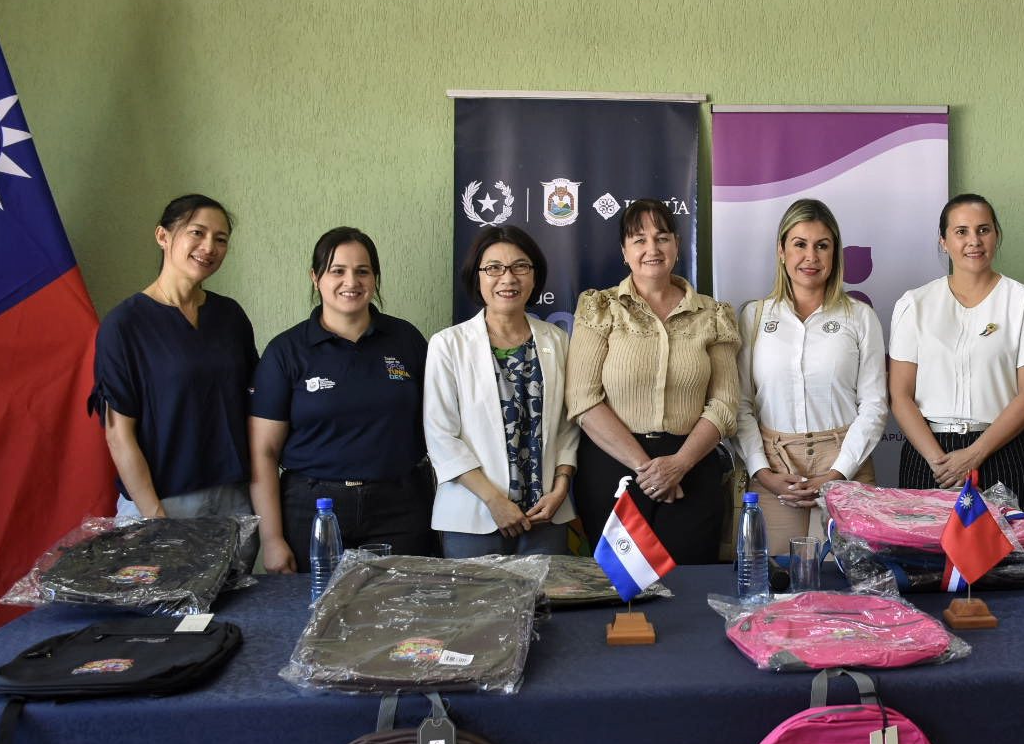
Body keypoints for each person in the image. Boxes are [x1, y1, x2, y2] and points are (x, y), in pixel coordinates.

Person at [248, 227, 434, 572]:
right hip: (314, 510)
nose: (351, 281)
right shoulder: (285, 352)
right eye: (338, 271)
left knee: (402, 603)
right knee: (315, 604)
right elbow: (263, 452)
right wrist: (271, 539)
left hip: (401, 508)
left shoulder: (406, 340)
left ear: (375, 278)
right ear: (315, 277)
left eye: (362, 271)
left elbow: (439, 423)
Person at [566, 199, 740, 564]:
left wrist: (678, 465)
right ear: (624, 251)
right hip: (614, 467)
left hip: (692, 467)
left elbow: (725, 403)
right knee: (621, 587)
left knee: (689, 585)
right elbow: (582, 398)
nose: (652, 249)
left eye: (662, 238)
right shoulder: (601, 307)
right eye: (639, 240)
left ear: (677, 245)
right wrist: (648, 469)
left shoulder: (713, 314)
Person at [90, 194, 258, 540]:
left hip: (233, 498)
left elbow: (254, 403)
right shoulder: (125, 324)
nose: (209, 247)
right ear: (162, 236)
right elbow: (119, 436)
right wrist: (156, 520)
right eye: (197, 232)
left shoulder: (230, 316)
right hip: (161, 504)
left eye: (221, 239)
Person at [735, 199, 887, 553]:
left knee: (847, 579)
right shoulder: (754, 317)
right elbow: (741, 405)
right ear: (781, 251)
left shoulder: (860, 317)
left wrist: (836, 474)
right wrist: (763, 473)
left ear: (835, 253)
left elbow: (875, 405)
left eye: (822, 245)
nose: (811, 257)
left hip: (845, 463)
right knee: (773, 577)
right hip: (774, 469)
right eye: (799, 244)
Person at [890, 193, 1024, 516]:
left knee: (1010, 549)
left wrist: (975, 454)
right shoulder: (915, 304)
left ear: (997, 235)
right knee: (928, 549)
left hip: (1003, 451)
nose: (973, 241)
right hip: (930, 457)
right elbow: (900, 395)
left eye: (983, 230)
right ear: (943, 241)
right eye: (961, 231)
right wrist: (939, 461)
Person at [423, 227, 579, 557]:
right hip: (473, 517)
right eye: (494, 268)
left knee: (550, 593)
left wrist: (561, 488)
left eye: (520, 266)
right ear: (477, 277)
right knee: (477, 595)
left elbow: (568, 426)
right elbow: (441, 436)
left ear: (534, 276)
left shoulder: (557, 341)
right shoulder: (448, 344)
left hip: (545, 514)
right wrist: (495, 501)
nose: (508, 278)